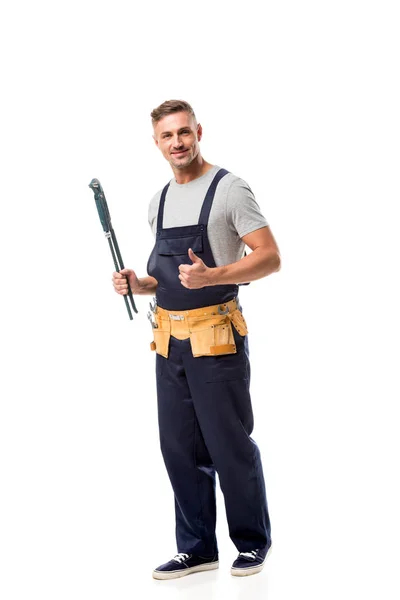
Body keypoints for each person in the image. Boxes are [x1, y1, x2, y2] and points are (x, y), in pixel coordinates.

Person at [112, 100, 281, 580]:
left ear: (199, 131)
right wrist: (136, 284)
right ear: (157, 143)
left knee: (228, 444)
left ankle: (251, 543)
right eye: (168, 136)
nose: (178, 143)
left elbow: (270, 257)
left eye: (184, 132)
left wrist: (216, 276)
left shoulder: (230, 190)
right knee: (179, 449)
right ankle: (197, 547)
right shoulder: (158, 200)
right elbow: (164, 278)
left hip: (216, 337)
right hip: (168, 341)